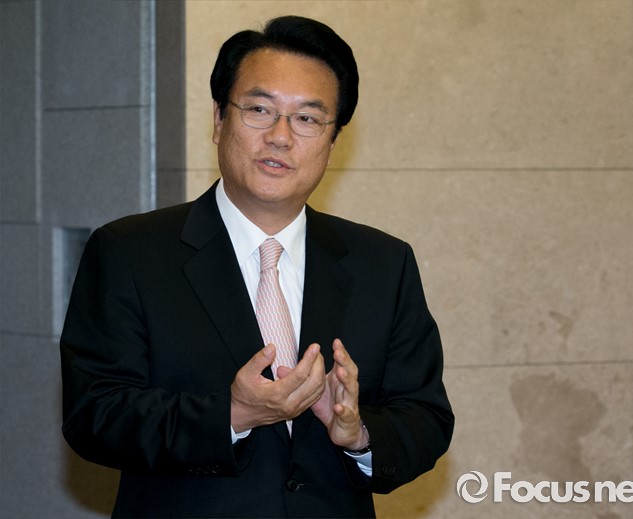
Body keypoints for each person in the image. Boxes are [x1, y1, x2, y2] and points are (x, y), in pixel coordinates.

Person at [61, 15, 453, 519]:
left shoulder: (383, 263)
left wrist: (357, 432)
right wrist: (233, 414)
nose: (280, 136)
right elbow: (94, 415)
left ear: (333, 142)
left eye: (307, 118)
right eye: (260, 109)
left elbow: (425, 419)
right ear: (219, 120)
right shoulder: (130, 252)